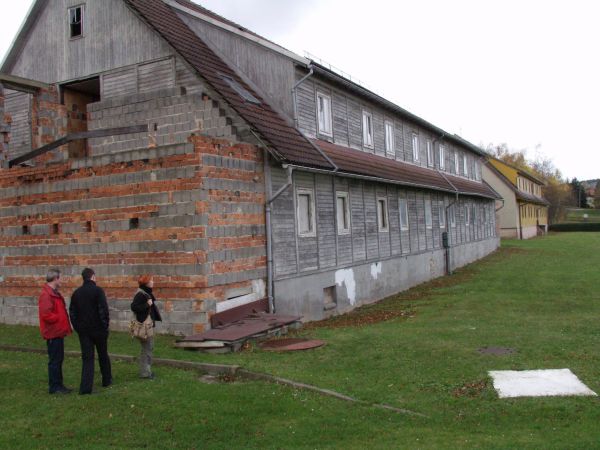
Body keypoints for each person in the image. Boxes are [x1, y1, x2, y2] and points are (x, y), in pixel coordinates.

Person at [69, 268, 112, 394]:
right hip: (98, 329)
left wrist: (77, 327)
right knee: (103, 354)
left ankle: (86, 387)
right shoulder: (98, 291)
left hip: (84, 331)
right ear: (93, 277)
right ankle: (106, 379)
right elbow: (104, 310)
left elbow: (72, 313)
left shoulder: (77, 293)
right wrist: (105, 326)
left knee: (87, 358)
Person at [38, 268, 73, 394]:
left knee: (58, 359)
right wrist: (59, 318)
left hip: (58, 331)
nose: (62, 280)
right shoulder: (46, 295)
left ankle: (59, 385)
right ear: (55, 278)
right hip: (53, 332)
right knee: (55, 361)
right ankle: (54, 387)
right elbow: (46, 315)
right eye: (61, 278)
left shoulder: (54, 293)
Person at [131, 275, 162, 379]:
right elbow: (134, 307)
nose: (153, 282)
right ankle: (145, 373)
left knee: (149, 348)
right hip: (144, 327)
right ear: (146, 283)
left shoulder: (146, 293)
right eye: (151, 280)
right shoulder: (141, 294)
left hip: (148, 325)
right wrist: (147, 305)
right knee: (147, 349)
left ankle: (147, 371)